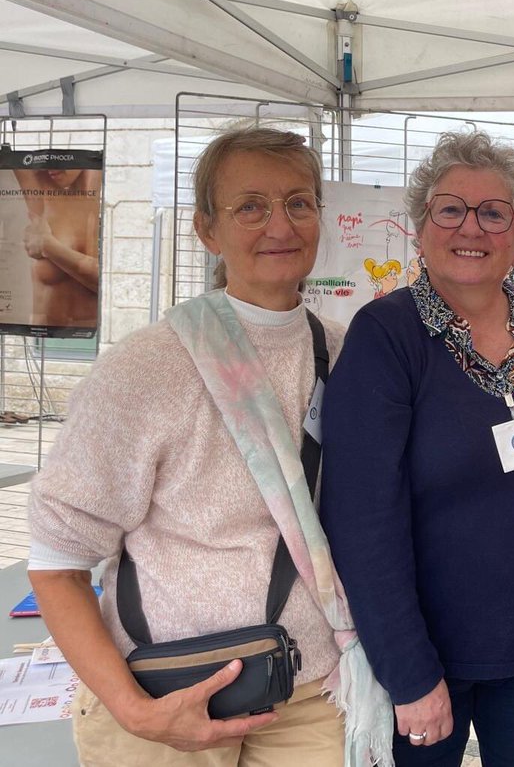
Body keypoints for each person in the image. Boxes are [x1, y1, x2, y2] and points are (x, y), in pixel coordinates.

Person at [27, 128, 391, 767]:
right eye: (250, 206)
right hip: (163, 692)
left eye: (298, 203)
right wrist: (135, 710)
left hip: (308, 696)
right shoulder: (146, 368)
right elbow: (57, 560)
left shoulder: (349, 352)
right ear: (206, 230)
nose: (279, 224)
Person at [320, 130, 514, 767]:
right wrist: (409, 673)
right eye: (450, 209)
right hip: (426, 656)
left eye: (494, 212)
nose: (472, 227)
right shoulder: (387, 336)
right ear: (421, 226)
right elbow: (360, 520)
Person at [16, 164, 101, 330]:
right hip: (43, 339)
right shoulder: (40, 190)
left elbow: (108, 281)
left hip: (91, 340)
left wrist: (49, 246)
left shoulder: (103, 195)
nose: (52, 168)